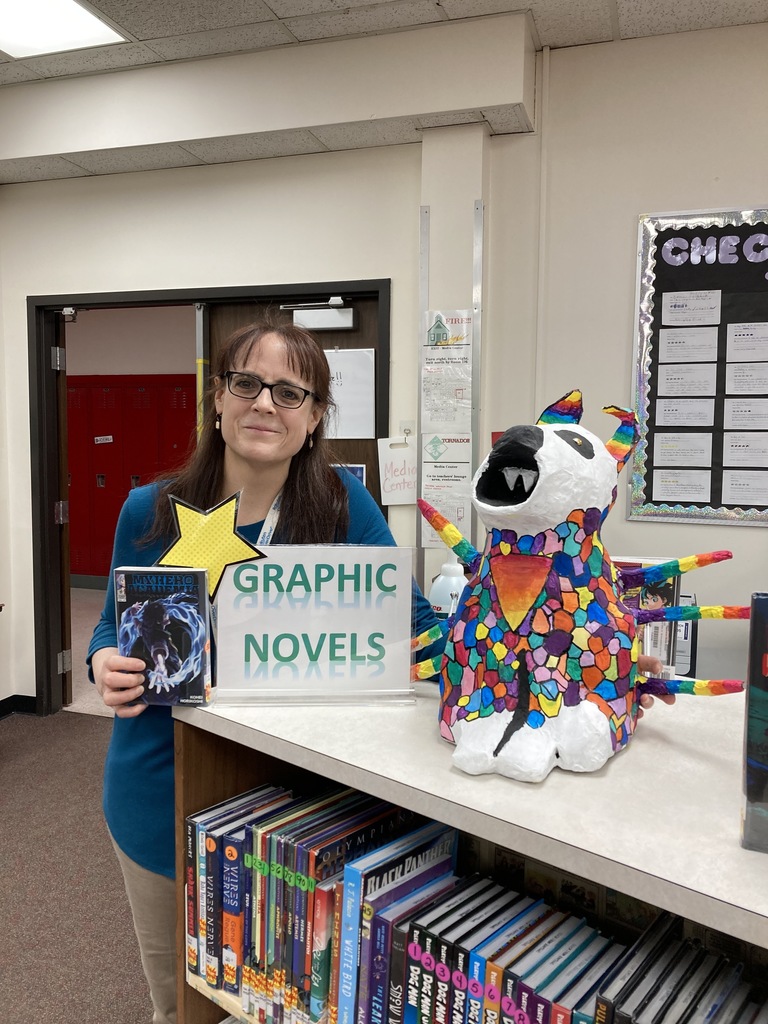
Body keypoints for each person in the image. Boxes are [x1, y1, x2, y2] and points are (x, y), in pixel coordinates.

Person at [87, 320, 442, 1024]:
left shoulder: (342, 508)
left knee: (287, 1004)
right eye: (245, 383)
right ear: (218, 399)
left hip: (296, 803)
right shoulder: (149, 510)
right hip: (161, 788)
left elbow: (419, 629)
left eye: (288, 392)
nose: (263, 404)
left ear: (314, 418)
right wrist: (104, 659)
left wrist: (552, 657)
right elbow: (109, 625)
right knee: (183, 1006)